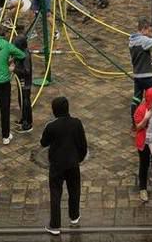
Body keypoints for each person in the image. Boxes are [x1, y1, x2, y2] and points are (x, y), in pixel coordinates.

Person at [41, 96, 88, 235]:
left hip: (56, 164)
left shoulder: (51, 126)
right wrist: (79, 158)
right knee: (74, 190)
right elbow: (83, 145)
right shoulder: (77, 123)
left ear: (54, 111)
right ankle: (74, 216)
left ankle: (55, 225)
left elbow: (43, 142)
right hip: (73, 162)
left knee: (55, 193)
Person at [134, 87, 152, 202]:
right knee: (144, 164)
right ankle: (142, 188)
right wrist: (146, 118)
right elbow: (138, 127)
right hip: (144, 141)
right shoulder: (141, 110)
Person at [13, 33, 33, 133]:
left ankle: (27, 123)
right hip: (21, 82)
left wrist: (14, 70)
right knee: (21, 100)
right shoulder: (21, 52)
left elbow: (27, 71)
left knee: (25, 102)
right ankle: (23, 118)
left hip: (25, 83)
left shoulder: (25, 55)